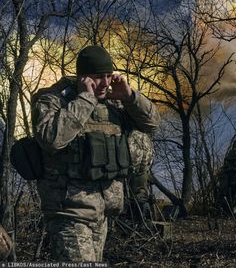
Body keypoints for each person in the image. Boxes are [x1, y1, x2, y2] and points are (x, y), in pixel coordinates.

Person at [31, 45, 160, 261]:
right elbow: (51, 138)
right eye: (99, 77)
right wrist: (84, 100)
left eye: (109, 76)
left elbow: (153, 124)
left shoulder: (112, 103)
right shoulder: (53, 99)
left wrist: (130, 97)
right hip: (69, 214)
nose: (106, 83)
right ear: (83, 77)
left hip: (103, 215)